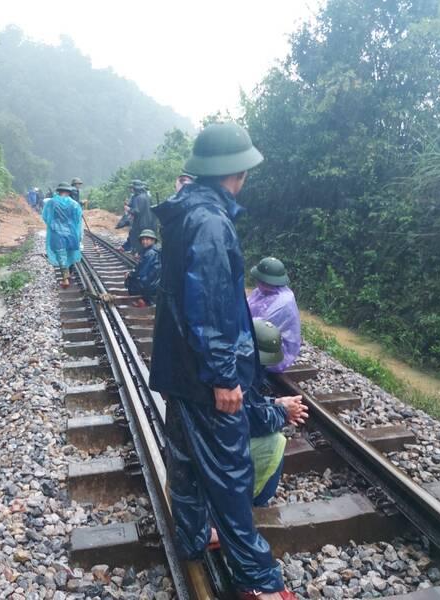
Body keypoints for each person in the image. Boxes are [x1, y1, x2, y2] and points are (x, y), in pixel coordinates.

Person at [150, 122, 296, 600]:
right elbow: (208, 306)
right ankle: (256, 582)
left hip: (179, 372)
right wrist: (224, 377)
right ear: (238, 172)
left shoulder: (187, 211)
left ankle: (194, 537)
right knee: (231, 476)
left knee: (188, 463)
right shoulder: (212, 222)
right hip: (204, 376)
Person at [247, 319, 308, 507]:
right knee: (275, 442)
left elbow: (248, 405)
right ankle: (253, 502)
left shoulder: (231, 363)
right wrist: (282, 413)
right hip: (213, 445)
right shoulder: (238, 376)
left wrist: (275, 402)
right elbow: (251, 421)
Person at [248, 257, 301, 373]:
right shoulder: (261, 291)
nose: (257, 282)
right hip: (261, 338)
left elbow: (259, 327)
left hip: (276, 350)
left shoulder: (282, 302)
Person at [41, 182, 83, 288]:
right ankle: (68, 275)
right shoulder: (74, 204)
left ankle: (65, 279)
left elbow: (45, 216)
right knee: (69, 253)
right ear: (69, 192)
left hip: (57, 234)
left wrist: (54, 225)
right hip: (71, 234)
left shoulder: (52, 203)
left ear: (58, 191)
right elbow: (78, 220)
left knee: (61, 255)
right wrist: (78, 234)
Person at [125, 229, 161, 307]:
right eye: (143, 239)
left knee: (130, 280)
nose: (144, 242)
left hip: (151, 284)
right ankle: (147, 298)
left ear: (153, 240)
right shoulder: (155, 250)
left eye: (147, 239)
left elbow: (142, 271)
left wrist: (130, 274)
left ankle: (144, 300)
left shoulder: (150, 253)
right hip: (157, 282)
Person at [127, 180, 157, 253]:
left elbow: (137, 211)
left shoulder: (138, 198)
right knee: (147, 239)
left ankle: (138, 253)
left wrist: (129, 209)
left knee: (137, 238)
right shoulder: (147, 196)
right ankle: (143, 253)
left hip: (140, 223)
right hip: (150, 222)